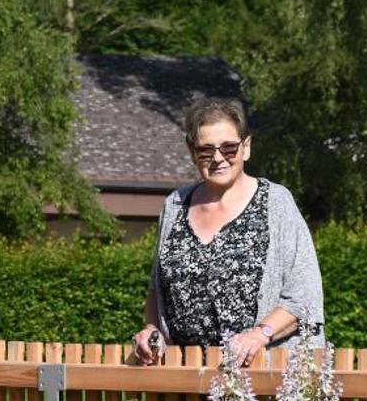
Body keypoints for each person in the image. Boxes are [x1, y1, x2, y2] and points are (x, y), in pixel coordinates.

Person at [132, 98, 324, 367]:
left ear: (246, 147)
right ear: (192, 153)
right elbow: (157, 289)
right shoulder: (175, 205)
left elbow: (304, 294)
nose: (218, 158)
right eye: (205, 150)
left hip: (260, 372)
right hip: (186, 373)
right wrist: (152, 330)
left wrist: (259, 334)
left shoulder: (276, 202)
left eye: (229, 148)